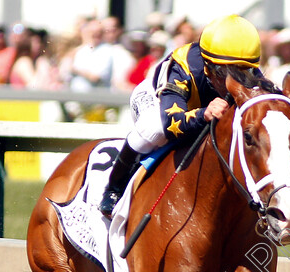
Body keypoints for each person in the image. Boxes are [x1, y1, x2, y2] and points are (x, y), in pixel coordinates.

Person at [97, 14, 263, 218]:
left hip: (201, 105)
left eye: (242, 72)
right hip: (158, 100)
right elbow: (171, 122)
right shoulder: (184, 67)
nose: (232, 81)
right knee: (154, 128)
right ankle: (114, 189)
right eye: (223, 72)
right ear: (208, 65)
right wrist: (205, 114)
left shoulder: (250, 72)